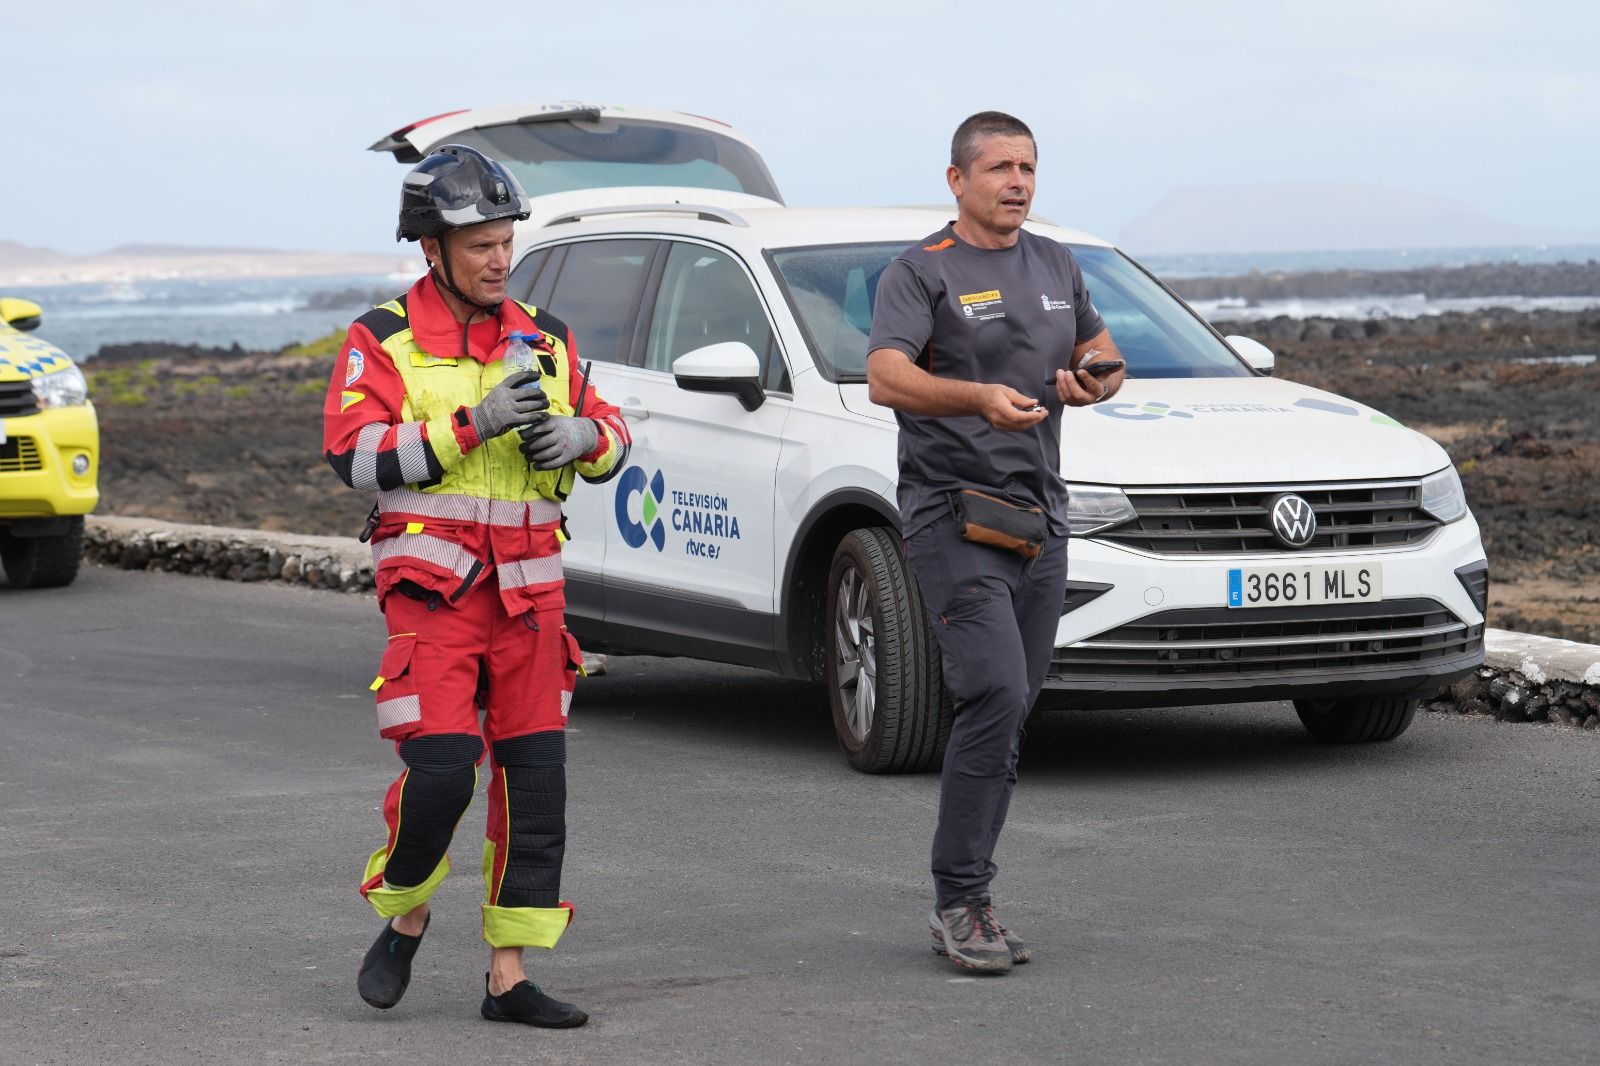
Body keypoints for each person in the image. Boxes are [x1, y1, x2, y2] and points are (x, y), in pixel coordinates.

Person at [323, 144, 630, 1025]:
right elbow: (354, 456)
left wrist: (582, 438)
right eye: (481, 245)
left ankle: (509, 976)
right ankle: (406, 909)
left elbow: (613, 435)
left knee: (536, 791)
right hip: (435, 602)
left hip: (533, 603)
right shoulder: (380, 339)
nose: (501, 259)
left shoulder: (549, 336)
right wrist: (473, 424)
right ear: (432, 249)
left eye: (506, 241)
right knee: (444, 773)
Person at [865, 111, 1125, 975]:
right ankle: (958, 901)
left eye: (1028, 167)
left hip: (1039, 518)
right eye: (1000, 168)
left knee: (1011, 711)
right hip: (951, 513)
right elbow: (885, 376)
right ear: (957, 180)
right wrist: (977, 398)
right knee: (994, 692)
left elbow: (1105, 357)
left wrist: (1088, 383)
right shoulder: (920, 271)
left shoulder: (1055, 261)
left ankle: (972, 897)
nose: (1017, 182)